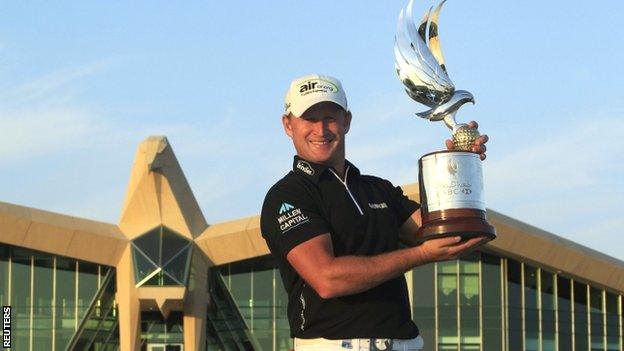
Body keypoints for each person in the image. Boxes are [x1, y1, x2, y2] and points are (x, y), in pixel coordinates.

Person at [260, 74, 488, 351]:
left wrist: (459, 165)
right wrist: (421, 254)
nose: (321, 130)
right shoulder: (287, 195)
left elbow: (453, 235)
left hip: (406, 344)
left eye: (330, 117)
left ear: (347, 121)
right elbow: (327, 279)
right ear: (288, 125)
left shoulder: (378, 189)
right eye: (310, 118)